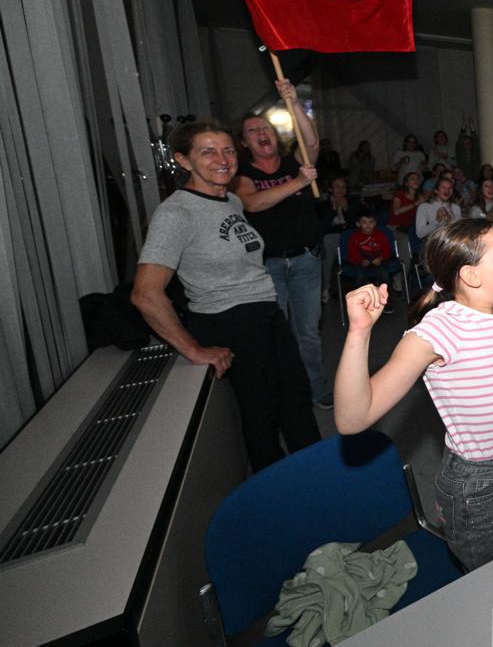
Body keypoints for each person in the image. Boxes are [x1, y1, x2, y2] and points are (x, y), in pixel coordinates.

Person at [335, 219, 493, 571]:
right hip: (479, 489)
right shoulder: (438, 332)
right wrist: (360, 332)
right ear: (471, 276)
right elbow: (352, 418)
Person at [131, 120, 320, 472]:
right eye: (208, 152)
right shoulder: (176, 213)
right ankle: (276, 498)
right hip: (228, 320)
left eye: (228, 150)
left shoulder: (232, 200)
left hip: (266, 313)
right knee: (261, 416)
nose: (222, 159)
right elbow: (145, 293)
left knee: (296, 399)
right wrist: (193, 349)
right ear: (184, 161)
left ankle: (319, 478)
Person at [233, 79, 330, 408]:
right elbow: (253, 204)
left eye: (266, 127)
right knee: (278, 331)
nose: (262, 133)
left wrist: (294, 103)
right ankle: (288, 394)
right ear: (245, 143)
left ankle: (316, 390)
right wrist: (300, 182)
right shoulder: (243, 174)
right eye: (252, 131)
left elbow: (312, 141)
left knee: (308, 332)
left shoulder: (294, 162)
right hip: (269, 266)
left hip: (305, 262)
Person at [317, 176, 360, 304]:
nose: (340, 190)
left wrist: (347, 209)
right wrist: (333, 209)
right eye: (337, 187)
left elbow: (360, 223)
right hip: (331, 234)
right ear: (330, 189)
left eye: (343, 187)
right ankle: (325, 289)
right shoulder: (323, 204)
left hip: (350, 234)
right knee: (328, 243)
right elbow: (322, 226)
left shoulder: (353, 202)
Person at [345, 209, 395, 307]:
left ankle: (385, 300)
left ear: (375, 223)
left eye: (371, 222)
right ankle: (362, 301)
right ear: (358, 224)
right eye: (364, 222)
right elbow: (351, 253)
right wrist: (360, 260)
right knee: (360, 276)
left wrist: (381, 258)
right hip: (362, 261)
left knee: (384, 274)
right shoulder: (354, 237)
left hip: (378, 260)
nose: (368, 225)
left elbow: (387, 250)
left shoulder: (380, 235)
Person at [415, 175, 463, 242]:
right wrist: (437, 221)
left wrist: (450, 220)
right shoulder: (424, 207)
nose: (447, 190)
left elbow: (460, 232)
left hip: (451, 243)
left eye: (450, 188)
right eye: (443, 187)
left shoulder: (455, 207)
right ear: (436, 190)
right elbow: (419, 234)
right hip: (432, 244)